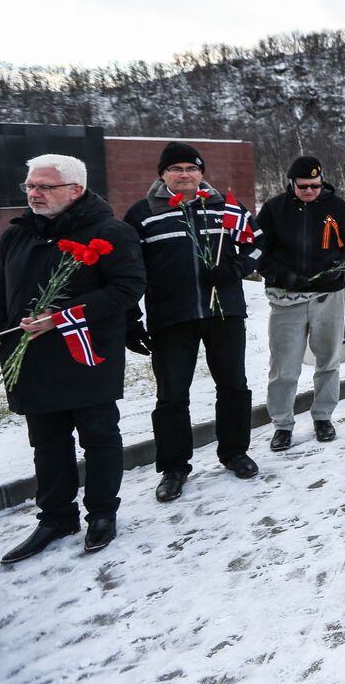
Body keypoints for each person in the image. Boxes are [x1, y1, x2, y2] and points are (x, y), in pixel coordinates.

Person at [0, 155, 145, 563]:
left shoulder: (111, 232)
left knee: (99, 437)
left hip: (86, 353)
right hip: (33, 358)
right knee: (47, 442)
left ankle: (102, 514)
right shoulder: (18, 234)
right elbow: (1, 290)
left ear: (75, 190)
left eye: (44, 187)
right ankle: (56, 516)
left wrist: (59, 317)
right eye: (30, 186)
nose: (33, 194)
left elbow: (126, 290)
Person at [124, 142, 262, 503]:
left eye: (191, 168)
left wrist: (238, 267)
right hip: (172, 318)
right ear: (163, 174)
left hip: (224, 313)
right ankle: (174, 467)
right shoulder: (143, 213)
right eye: (176, 169)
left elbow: (260, 246)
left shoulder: (225, 207)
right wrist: (130, 318)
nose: (184, 174)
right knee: (171, 396)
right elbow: (127, 270)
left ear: (201, 173)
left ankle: (234, 452)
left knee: (233, 385)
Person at [255, 156, 345, 451]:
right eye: (303, 186)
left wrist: (340, 268)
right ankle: (282, 424)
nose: (310, 191)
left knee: (328, 361)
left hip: (328, 296)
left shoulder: (337, 207)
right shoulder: (273, 209)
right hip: (287, 298)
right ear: (291, 183)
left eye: (315, 186)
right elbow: (258, 251)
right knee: (283, 367)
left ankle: (323, 416)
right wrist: (283, 276)